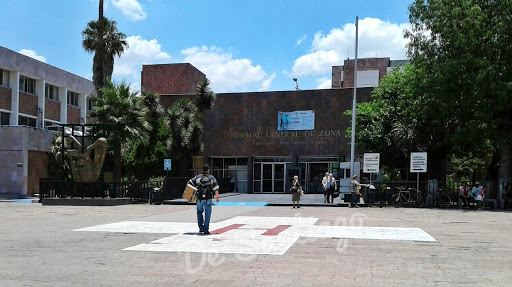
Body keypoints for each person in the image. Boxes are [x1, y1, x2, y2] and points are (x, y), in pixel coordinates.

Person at [188, 164, 220, 235]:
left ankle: (201, 227)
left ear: (202, 170)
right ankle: (206, 229)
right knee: (207, 214)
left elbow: (189, 183)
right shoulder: (211, 178)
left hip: (199, 198)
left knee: (199, 212)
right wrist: (217, 197)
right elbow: (216, 188)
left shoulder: (198, 177)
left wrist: (191, 193)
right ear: (209, 170)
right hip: (208, 199)